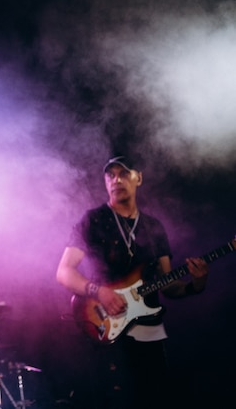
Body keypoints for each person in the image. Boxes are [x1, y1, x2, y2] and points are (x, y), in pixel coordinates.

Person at [55, 155, 209, 409]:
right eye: (110, 175)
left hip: (150, 334)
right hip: (107, 331)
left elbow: (169, 285)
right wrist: (99, 291)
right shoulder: (93, 220)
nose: (116, 180)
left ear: (139, 179)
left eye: (124, 174)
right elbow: (64, 272)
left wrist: (197, 283)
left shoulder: (153, 227)